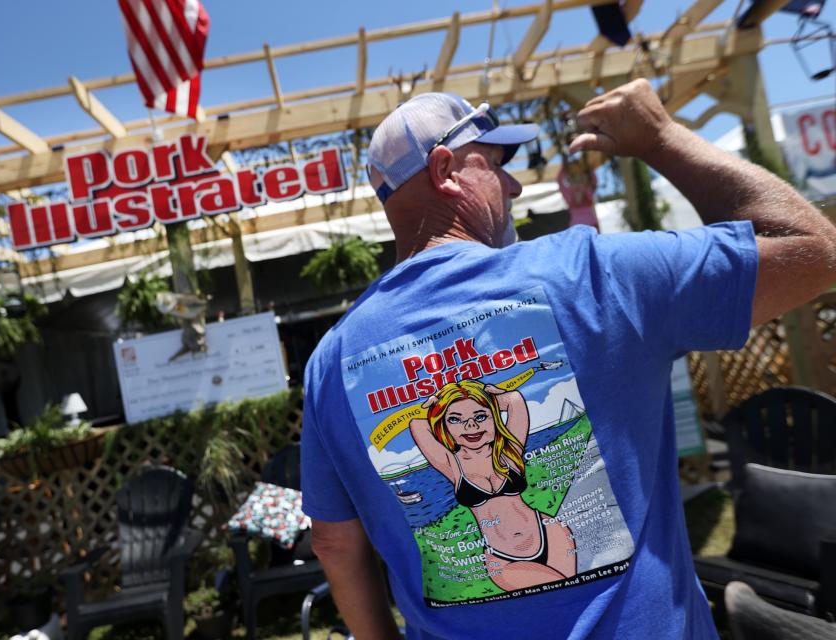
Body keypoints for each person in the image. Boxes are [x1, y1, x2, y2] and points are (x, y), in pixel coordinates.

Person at [300, 80, 836, 639]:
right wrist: (660, 138)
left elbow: (333, 542)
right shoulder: (594, 274)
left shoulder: (331, 362)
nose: (513, 184)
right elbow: (816, 252)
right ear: (445, 171)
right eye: (496, 164)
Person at [409, 379, 576, 589]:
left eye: (480, 416)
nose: (471, 426)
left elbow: (514, 400)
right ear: (444, 425)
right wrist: (435, 404)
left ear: (493, 416)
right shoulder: (453, 464)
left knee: (578, 591)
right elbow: (417, 425)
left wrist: (492, 394)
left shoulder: (509, 452)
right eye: (456, 419)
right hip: (502, 558)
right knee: (559, 589)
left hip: (549, 533)